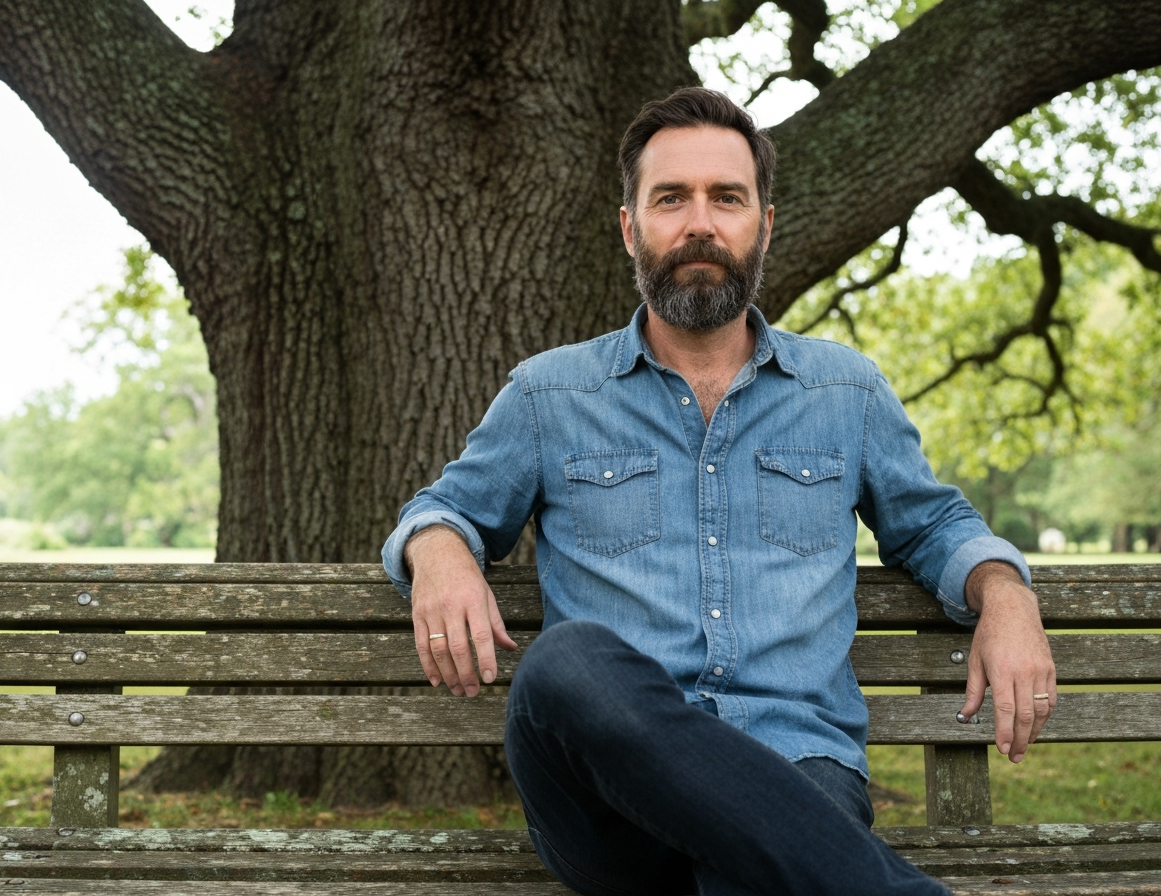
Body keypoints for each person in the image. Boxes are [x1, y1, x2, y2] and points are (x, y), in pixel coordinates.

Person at [381, 87, 1056, 896]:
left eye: (727, 198)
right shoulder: (546, 396)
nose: (700, 222)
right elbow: (445, 506)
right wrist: (440, 553)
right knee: (567, 663)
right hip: (608, 810)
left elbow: (933, 524)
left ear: (763, 224)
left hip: (798, 769)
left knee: (756, 860)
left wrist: (1007, 595)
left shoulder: (845, 391)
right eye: (671, 198)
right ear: (631, 227)